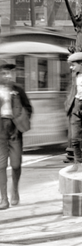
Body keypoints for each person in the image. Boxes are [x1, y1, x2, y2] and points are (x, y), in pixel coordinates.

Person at [0, 61, 33, 210]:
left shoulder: (18, 90)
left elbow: (28, 107)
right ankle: (4, 199)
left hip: (14, 130)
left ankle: (15, 190)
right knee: (1, 165)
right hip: (0, 129)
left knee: (16, 164)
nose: (7, 76)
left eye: (9, 73)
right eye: (4, 73)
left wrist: (21, 120)